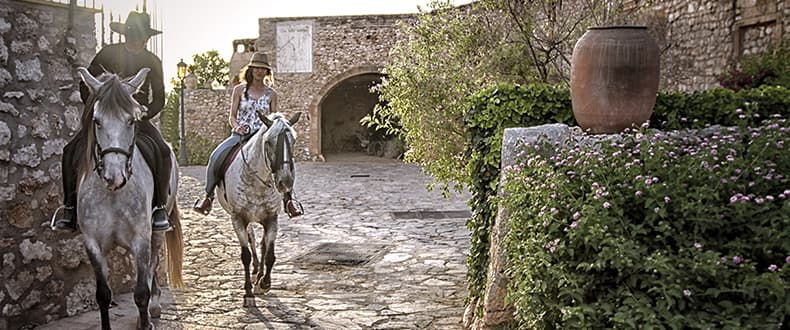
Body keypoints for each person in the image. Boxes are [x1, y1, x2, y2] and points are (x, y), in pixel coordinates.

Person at [52, 11, 172, 232]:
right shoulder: (107, 54)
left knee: (163, 151)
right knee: (70, 150)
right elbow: (84, 84)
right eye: (131, 34)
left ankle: (160, 208)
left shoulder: (153, 61)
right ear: (125, 34)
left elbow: (160, 98)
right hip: (106, 117)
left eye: (139, 35)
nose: (134, 39)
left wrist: (144, 113)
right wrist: (97, 107)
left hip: (135, 117)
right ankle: (69, 208)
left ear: (146, 37)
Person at [192, 52, 304, 218]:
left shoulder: (272, 94)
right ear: (250, 69)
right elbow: (232, 116)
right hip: (241, 135)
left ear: (267, 72)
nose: (259, 71)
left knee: (285, 161)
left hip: (263, 137)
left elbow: (274, 120)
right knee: (216, 156)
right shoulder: (239, 90)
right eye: (256, 68)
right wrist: (237, 127)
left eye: (263, 69)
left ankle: (289, 200)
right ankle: (208, 197)